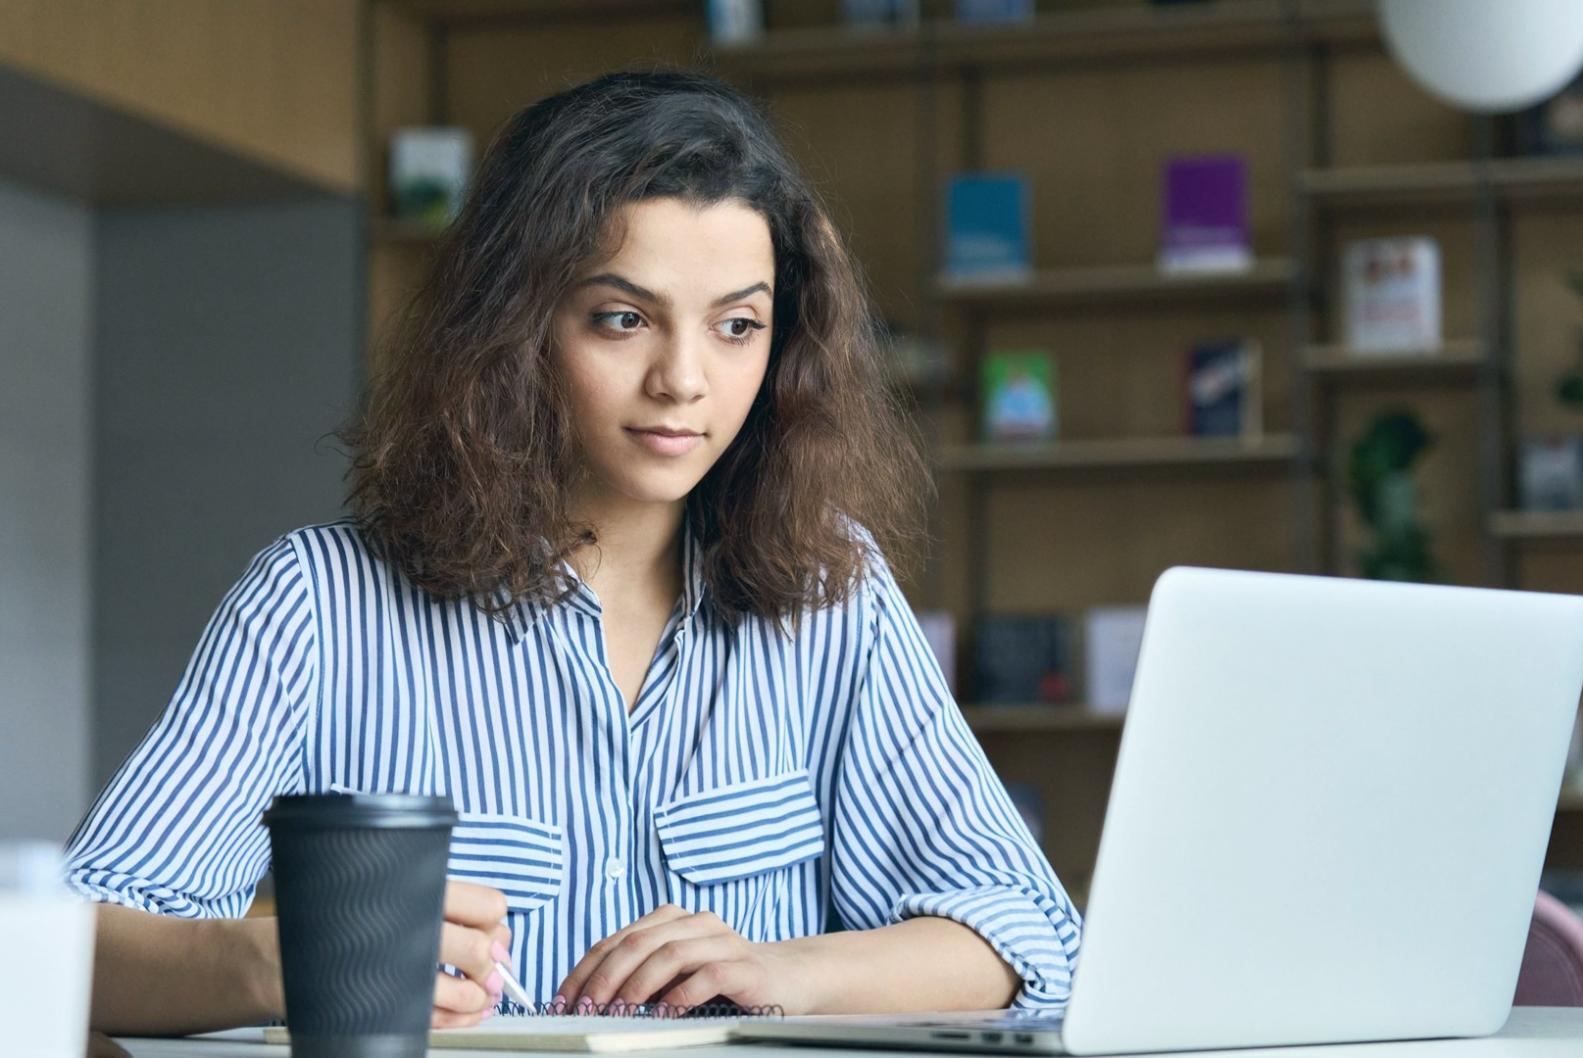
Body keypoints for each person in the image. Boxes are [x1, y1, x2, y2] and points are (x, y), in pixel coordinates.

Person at [64, 68, 1082, 1037]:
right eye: (622, 318)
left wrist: (789, 969)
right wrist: (283, 961)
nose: (684, 379)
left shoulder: (832, 587)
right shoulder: (321, 602)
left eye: (737, 325)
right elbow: (74, 944)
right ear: (514, 325)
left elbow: (1028, 931)